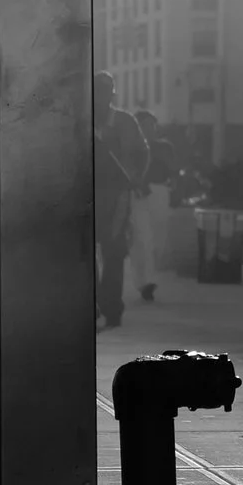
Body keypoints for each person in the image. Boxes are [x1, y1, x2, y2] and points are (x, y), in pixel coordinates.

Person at [92, 73, 146, 332]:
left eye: (105, 93)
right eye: (97, 93)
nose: (101, 99)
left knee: (114, 253)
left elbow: (143, 153)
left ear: (111, 95)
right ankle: (94, 303)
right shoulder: (80, 121)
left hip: (117, 198)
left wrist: (133, 178)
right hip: (86, 197)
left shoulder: (126, 122)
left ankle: (112, 307)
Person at [128, 108, 168, 303]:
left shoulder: (164, 147)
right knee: (143, 239)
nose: (149, 129)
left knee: (159, 239)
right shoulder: (131, 149)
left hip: (160, 192)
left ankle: (148, 277)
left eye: (152, 126)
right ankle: (145, 282)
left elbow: (172, 169)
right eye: (144, 126)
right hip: (139, 194)